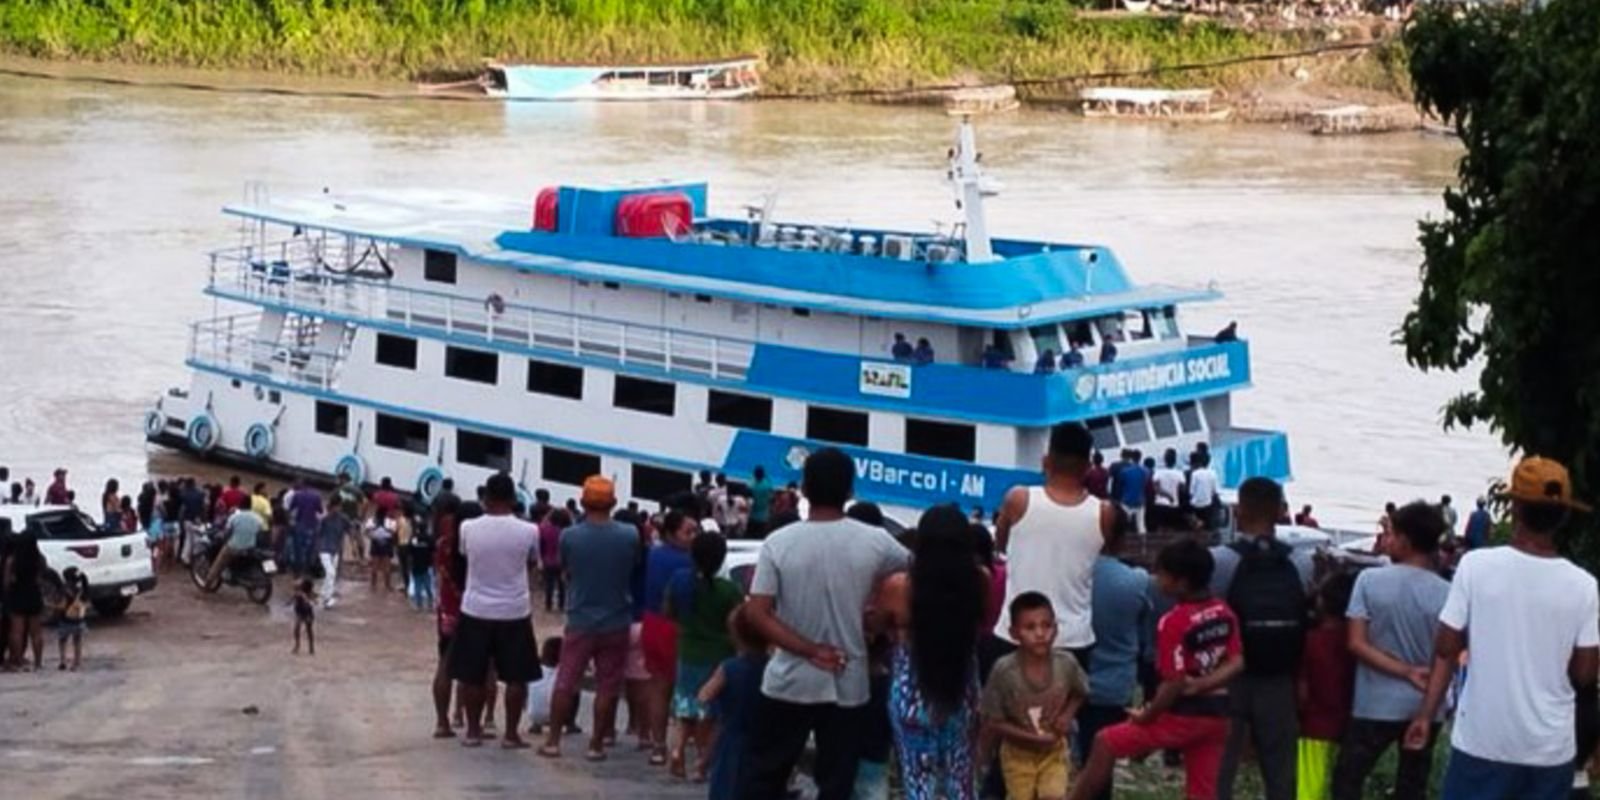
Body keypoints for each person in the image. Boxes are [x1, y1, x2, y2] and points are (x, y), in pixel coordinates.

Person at [1405, 457, 1600, 799]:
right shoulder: (1583, 585)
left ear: (1516, 508)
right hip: (1550, 748)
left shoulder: (1476, 567)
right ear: (1563, 516)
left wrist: (1425, 714)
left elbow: (1446, 648)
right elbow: (1585, 674)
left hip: (1483, 742)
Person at [737, 447, 911, 800]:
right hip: (848, 680)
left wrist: (809, 649)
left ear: (803, 488)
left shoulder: (779, 543)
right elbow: (912, 574)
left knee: (764, 776)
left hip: (789, 678)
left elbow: (757, 612)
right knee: (836, 781)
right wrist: (879, 617)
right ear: (849, 492)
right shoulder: (876, 541)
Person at [1069, 539, 1243, 800]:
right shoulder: (1224, 612)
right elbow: (1237, 661)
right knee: (1204, 791)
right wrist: (1204, 685)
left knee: (1105, 742)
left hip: (1182, 716)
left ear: (1181, 582)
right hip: (1218, 716)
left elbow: (1173, 683)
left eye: (1161, 574)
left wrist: (1147, 715)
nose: (1156, 579)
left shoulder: (1173, 621)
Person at [1330, 501, 1451, 800]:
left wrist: (1404, 670)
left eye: (1391, 534)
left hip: (1375, 703)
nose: (1386, 540)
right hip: (1427, 705)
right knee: (1412, 786)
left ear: (1406, 541)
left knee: (1348, 780)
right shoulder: (1447, 593)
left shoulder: (1369, 581)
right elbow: (1446, 656)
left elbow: (1356, 643)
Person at [874, 505, 987, 800]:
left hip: (912, 695)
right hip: (962, 690)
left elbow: (876, 624)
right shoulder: (979, 580)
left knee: (917, 782)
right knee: (960, 780)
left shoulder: (899, 587)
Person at [1211, 477, 1313, 800]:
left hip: (1228, 675)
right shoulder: (1300, 561)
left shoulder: (1222, 560)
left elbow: (1210, 615)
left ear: (1238, 511)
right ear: (1280, 512)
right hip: (1279, 675)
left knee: (1219, 765)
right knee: (1280, 767)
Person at [993, 422, 1111, 669]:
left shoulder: (1019, 499)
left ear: (1046, 461)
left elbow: (1001, 545)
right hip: (1073, 639)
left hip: (1015, 633)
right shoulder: (1104, 513)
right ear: (1088, 467)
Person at [542, 476, 641, 761]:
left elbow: (566, 569)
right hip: (617, 619)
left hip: (581, 619)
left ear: (583, 502)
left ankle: (553, 741)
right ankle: (597, 744)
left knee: (566, 680)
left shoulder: (570, 536)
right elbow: (632, 566)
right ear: (613, 503)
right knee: (607, 686)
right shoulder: (629, 535)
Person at [448, 472, 541, 748]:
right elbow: (532, 563)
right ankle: (511, 734)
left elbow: (465, 557)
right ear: (514, 499)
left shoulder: (468, 528)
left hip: (475, 607)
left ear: (485, 497)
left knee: (473, 674)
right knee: (516, 677)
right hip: (514, 609)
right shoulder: (529, 531)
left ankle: (474, 732)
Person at [983, 591, 1089, 800]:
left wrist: (1067, 716)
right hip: (1017, 754)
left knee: (1053, 795)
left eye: (1046, 626)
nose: (1040, 634)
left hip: (1054, 750)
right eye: (1030, 627)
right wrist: (1032, 738)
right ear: (1014, 633)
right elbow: (994, 721)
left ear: (1056, 629)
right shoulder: (1004, 671)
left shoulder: (1066, 664)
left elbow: (1081, 692)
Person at [1076, 508, 1151, 800]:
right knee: (1100, 767)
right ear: (1122, 539)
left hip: (1063, 681)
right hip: (1113, 686)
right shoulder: (1136, 582)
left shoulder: (1069, 574)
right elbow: (1146, 640)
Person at [664, 531, 743, 781]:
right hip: (719, 657)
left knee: (685, 709)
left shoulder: (679, 581)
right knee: (712, 714)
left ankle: (676, 752)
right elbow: (739, 624)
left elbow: (668, 612)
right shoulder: (729, 590)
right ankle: (701, 763)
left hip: (687, 652)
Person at [641, 509, 696, 766]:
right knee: (687, 689)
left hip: (652, 623)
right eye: (689, 532)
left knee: (659, 687)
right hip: (680, 627)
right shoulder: (690, 563)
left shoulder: (653, 554)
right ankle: (683, 746)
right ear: (673, 533)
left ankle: (658, 745)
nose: (693, 537)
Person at [1298, 573, 1357, 800]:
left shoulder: (1311, 640)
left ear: (1322, 602)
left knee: (1309, 786)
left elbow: (1302, 690)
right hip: (1350, 723)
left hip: (1315, 724)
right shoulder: (1357, 641)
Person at [702, 605, 770, 800]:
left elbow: (705, 696)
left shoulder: (729, 669)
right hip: (766, 741)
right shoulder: (773, 668)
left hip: (732, 742)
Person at [431, 490, 466, 739]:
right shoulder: (467, 537)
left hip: (446, 610)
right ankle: (462, 715)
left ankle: (442, 722)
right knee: (476, 666)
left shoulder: (440, 541)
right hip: (472, 608)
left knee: (444, 664)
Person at [3, 532, 46, 671]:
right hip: (33, 594)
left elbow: (6, 582)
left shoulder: (12, 560)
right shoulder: (39, 559)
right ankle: (38, 663)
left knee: (17, 631)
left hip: (17, 595)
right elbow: (41, 578)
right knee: (36, 632)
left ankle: (18, 660)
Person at [207, 503, 264, 588]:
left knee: (219, 562)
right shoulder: (258, 518)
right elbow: (260, 532)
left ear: (240, 506)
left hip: (234, 546)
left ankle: (208, 582)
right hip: (250, 547)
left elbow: (227, 532)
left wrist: (223, 537)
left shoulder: (234, 517)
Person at [315, 503, 350, 608]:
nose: (336, 510)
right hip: (324, 549)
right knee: (331, 573)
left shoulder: (343, 519)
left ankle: (323, 594)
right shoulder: (324, 520)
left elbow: (350, 530)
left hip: (335, 550)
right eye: (333, 508)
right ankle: (328, 598)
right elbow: (318, 534)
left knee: (330, 574)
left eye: (338, 507)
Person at [55, 566, 89, 671]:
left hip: (65, 620)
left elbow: (62, 606)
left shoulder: (65, 591)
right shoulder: (83, 590)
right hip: (79, 620)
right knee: (77, 641)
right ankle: (76, 662)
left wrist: (51, 605)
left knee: (62, 640)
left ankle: (62, 660)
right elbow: (87, 604)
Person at [287, 479, 321, 577]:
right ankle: (307, 571)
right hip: (312, 525)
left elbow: (291, 509)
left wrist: (290, 523)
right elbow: (320, 510)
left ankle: (297, 572)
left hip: (300, 524)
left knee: (298, 549)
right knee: (310, 549)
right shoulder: (316, 496)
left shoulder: (297, 495)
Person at [539, 508, 569, 612]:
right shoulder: (566, 532)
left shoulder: (544, 529)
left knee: (549, 584)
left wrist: (542, 558)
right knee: (562, 585)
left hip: (548, 560)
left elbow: (542, 545)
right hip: (562, 561)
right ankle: (561, 605)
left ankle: (548, 604)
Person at [1114, 450, 1148, 535]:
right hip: (1140, 501)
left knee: (1124, 526)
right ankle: (1144, 547)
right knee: (1141, 526)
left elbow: (1120, 485)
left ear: (1132, 458)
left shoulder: (1124, 471)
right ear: (1140, 458)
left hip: (1126, 501)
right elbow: (1145, 485)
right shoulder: (1145, 471)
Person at [1150, 449, 1184, 532]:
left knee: (1160, 529)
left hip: (1160, 504)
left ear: (1164, 460)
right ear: (1175, 460)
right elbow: (1182, 489)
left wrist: (1167, 495)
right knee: (1172, 529)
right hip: (1174, 505)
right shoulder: (1179, 474)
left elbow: (1156, 489)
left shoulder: (1158, 473)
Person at [408, 515, 436, 611]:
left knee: (417, 586)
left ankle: (418, 605)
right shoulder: (429, 538)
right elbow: (434, 550)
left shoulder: (414, 538)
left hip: (416, 566)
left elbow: (410, 551)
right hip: (428, 566)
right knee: (429, 586)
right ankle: (430, 604)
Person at [369, 508, 400, 593]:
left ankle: (374, 585)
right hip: (385, 543)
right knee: (385, 566)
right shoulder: (389, 521)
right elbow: (394, 533)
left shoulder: (373, 521)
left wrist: (375, 531)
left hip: (377, 543)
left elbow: (367, 532)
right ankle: (386, 585)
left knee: (376, 566)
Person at [1187, 452, 1220, 530]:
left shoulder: (1195, 473)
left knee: (1195, 526)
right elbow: (1215, 491)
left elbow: (1191, 491)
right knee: (1207, 526)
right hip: (1207, 505)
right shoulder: (1213, 473)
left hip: (1195, 505)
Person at [292, 578, 316, 656]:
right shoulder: (300, 593)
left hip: (305, 613)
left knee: (304, 629)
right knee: (304, 629)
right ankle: (307, 646)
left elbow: (314, 601)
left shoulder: (305, 594)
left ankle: (303, 646)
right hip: (303, 613)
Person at [748, 466, 773, 538]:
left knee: (751, 536)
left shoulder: (751, 485)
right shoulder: (767, 485)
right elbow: (771, 496)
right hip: (764, 516)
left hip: (752, 516)